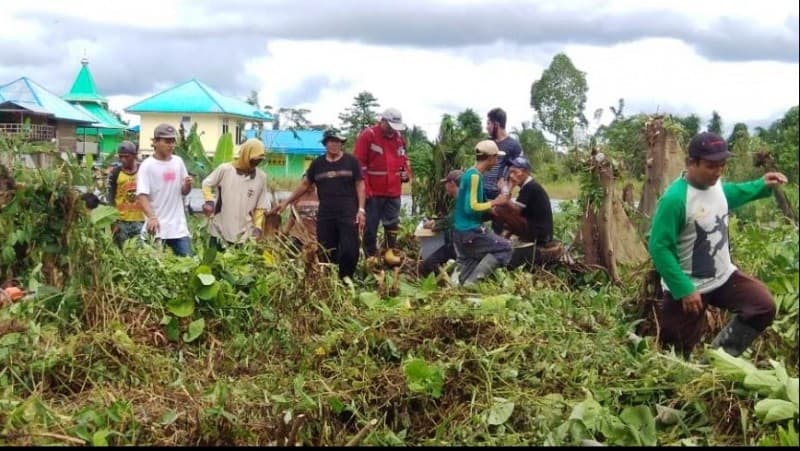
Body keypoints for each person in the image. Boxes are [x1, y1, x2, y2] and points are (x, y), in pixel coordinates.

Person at [648, 131, 788, 359]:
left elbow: (731, 194)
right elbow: (659, 247)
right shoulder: (675, 199)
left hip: (723, 278)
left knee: (763, 306)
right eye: (711, 166)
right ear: (692, 162)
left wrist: (763, 185)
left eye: (722, 165)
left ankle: (716, 359)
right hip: (688, 286)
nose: (718, 171)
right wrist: (684, 288)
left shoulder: (716, 186)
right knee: (674, 353)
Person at [273, 130, 366, 279]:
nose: (335, 144)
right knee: (327, 251)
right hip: (326, 214)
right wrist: (285, 202)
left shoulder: (351, 162)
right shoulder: (317, 164)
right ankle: (330, 282)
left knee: (350, 250)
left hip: (348, 212)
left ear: (341, 144)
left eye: (338, 142)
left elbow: (360, 185)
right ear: (325, 144)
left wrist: (361, 209)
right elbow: (304, 185)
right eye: (331, 141)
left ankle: (346, 279)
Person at [354, 107, 412, 266]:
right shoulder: (369, 135)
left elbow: (404, 160)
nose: (393, 131)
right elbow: (359, 165)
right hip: (374, 192)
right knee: (371, 226)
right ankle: (370, 257)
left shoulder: (398, 138)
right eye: (391, 126)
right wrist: (366, 189)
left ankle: (390, 254)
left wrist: (406, 173)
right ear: (383, 121)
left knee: (392, 223)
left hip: (393, 191)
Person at [452, 140, 513, 286]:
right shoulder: (475, 176)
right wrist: (495, 202)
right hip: (470, 231)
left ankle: (460, 284)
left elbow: (471, 205)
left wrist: (489, 209)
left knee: (472, 259)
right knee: (506, 248)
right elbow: (471, 206)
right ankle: (472, 284)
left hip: (460, 231)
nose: (496, 161)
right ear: (490, 157)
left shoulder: (471, 173)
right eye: (496, 158)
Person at [136, 123, 194, 257]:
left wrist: (188, 185)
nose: (171, 145)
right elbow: (142, 195)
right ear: (155, 142)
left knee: (187, 265)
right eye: (167, 141)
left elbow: (183, 192)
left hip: (178, 229)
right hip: (157, 228)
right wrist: (151, 217)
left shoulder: (178, 162)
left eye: (173, 142)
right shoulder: (147, 166)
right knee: (156, 270)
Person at [201, 138, 268, 250]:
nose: (256, 163)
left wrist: (257, 227)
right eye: (254, 160)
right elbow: (206, 184)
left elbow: (260, 206)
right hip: (220, 231)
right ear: (245, 155)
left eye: (260, 160)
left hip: (244, 235)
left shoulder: (261, 178)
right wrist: (209, 201)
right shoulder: (225, 170)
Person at [492, 156, 559, 267]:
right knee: (503, 209)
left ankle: (500, 240)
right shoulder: (527, 187)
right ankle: (503, 239)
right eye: (510, 172)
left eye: (514, 172)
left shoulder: (530, 187)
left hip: (539, 232)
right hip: (537, 229)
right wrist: (510, 187)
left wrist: (505, 190)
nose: (511, 175)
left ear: (524, 172)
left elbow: (516, 210)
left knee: (500, 210)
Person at [483, 108, 522, 233]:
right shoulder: (487, 142)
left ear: (496, 124)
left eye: (488, 123)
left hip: (498, 192)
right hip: (482, 190)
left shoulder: (513, 145)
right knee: (475, 219)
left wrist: (507, 191)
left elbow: (518, 171)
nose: (486, 127)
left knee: (497, 226)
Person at [418, 169, 462, 278]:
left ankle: (443, 283)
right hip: (453, 244)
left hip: (460, 245)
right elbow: (451, 217)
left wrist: (436, 225)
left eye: (446, 184)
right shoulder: (460, 198)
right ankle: (443, 280)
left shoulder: (462, 199)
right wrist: (437, 221)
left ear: (452, 184)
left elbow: (453, 220)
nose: (445, 187)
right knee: (427, 265)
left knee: (426, 266)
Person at [107, 140, 145, 248]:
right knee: (123, 253)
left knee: (142, 253)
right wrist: (113, 222)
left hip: (141, 220)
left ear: (134, 156)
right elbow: (110, 198)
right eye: (121, 156)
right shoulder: (115, 173)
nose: (123, 160)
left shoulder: (143, 170)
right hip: (121, 221)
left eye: (127, 157)